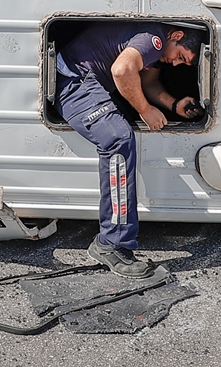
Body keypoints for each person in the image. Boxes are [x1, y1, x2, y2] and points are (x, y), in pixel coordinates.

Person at [54, 22, 206, 277]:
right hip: (74, 83)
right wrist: (145, 110)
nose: (177, 63)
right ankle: (111, 244)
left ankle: (114, 239)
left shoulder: (155, 52)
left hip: (84, 81)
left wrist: (174, 103)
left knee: (121, 133)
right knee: (118, 140)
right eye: (180, 56)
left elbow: (148, 83)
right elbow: (122, 70)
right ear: (176, 36)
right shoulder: (153, 39)